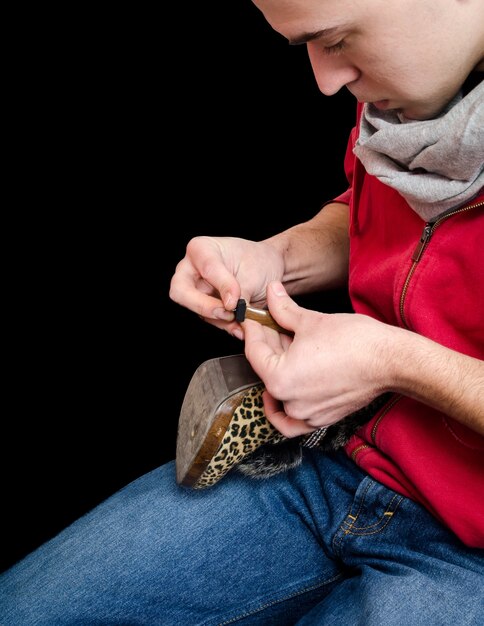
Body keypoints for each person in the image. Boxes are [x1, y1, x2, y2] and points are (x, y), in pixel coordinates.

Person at [1, 0, 483, 623]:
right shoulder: (408, 98)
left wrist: (393, 361)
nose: (325, 81)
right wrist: (274, 258)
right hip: (340, 465)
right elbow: (378, 213)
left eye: (335, 40)